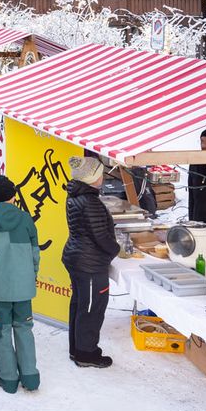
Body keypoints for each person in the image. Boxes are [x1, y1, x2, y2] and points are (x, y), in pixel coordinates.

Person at [0, 174, 41, 393]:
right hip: (23, 287)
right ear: (14, 195)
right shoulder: (26, 219)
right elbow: (34, 254)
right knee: (24, 329)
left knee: (2, 333)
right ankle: (30, 378)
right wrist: (32, 276)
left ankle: (9, 379)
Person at [62, 155, 120, 368]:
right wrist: (116, 250)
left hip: (77, 257)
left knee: (80, 304)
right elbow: (101, 236)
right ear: (92, 178)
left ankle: (76, 348)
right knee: (91, 308)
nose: (103, 177)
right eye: (100, 174)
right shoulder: (90, 201)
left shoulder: (76, 195)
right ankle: (86, 354)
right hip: (89, 263)